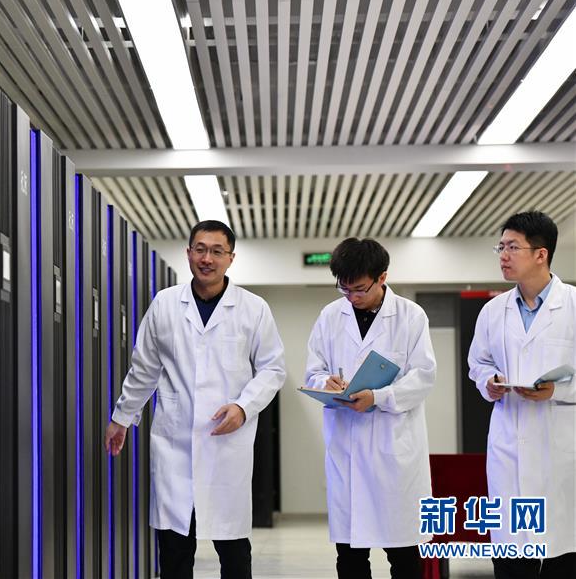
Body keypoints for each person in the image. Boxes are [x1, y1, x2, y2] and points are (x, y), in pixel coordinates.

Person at [103, 219, 286, 579]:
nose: (207, 258)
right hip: (175, 445)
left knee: (234, 553)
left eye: (217, 251)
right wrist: (121, 417)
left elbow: (273, 369)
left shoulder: (253, 308)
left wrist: (243, 407)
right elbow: (144, 368)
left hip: (226, 444)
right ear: (188, 253)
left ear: (231, 258)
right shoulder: (165, 303)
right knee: (174, 552)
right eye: (200, 249)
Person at [304, 237, 436, 578]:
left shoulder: (410, 316)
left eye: (360, 289)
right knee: (349, 557)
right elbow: (313, 371)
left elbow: (423, 377)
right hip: (346, 449)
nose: (351, 297)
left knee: (404, 556)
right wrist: (326, 382)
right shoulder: (330, 316)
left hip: (393, 451)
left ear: (382, 278)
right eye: (344, 288)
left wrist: (378, 397)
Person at [467, 211, 576, 579]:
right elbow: (478, 363)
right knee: (512, 561)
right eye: (500, 247)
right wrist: (489, 381)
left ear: (541, 254)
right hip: (508, 448)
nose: (503, 255)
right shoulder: (492, 311)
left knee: (563, 556)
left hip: (560, 450)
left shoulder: (573, 305)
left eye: (512, 247)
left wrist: (558, 390)